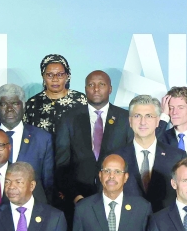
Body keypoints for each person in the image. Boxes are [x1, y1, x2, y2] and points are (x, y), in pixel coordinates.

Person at [55, 70, 131, 205]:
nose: (96, 89)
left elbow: (131, 161)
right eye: (91, 85)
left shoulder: (125, 119)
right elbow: (62, 164)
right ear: (85, 89)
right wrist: (75, 196)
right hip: (78, 200)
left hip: (118, 198)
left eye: (101, 84)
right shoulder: (69, 119)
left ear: (110, 89)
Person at [0, 84, 54, 198]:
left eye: (15, 103)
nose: (9, 109)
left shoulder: (42, 139)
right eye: (4, 104)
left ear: (24, 106)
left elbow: (48, 182)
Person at [116, 95, 183, 213]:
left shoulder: (177, 157)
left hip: (165, 227)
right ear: (130, 121)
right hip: (128, 228)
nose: (143, 122)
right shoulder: (115, 157)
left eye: (149, 116)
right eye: (137, 116)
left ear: (158, 121)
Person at [24, 54, 87, 134]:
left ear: (67, 76)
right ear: (43, 76)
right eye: (50, 75)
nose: (55, 79)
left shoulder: (81, 100)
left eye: (60, 75)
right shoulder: (32, 104)